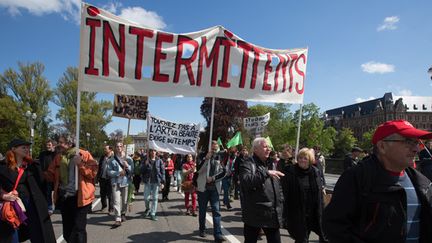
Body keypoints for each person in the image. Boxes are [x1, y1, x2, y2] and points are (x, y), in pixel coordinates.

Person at [323, 120, 432, 242]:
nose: (416, 149)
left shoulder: (423, 183)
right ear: (382, 146)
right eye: (408, 141)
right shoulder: (357, 177)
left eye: (417, 142)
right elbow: (334, 226)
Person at [0, 138, 56, 243]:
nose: (27, 149)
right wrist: (3, 195)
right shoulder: (2, 167)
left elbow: (44, 183)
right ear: (13, 149)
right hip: (11, 205)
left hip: (31, 203)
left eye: (28, 147)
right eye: (23, 147)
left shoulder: (33, 166)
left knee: (38, 233)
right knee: (12, 234)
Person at [45, 135, 98, 243]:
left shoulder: (84, 154)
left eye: (62, 142)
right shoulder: (58, 157)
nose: (59, 144)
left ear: (70, 144)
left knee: (79, 229)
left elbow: (92, 173)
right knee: (67, 230)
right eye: (59, 142)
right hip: (64, 197)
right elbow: (50, 174)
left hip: (80, 197)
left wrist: (80, 164)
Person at [239, 137, 285, 243]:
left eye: (268, 147)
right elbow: (246, 181)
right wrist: (266, 173)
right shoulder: (247, 163)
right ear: (255, 149)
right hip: (254, 215)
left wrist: (281, 202)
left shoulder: (272, 163)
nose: (268, 149)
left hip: (271, 214)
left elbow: (278, 186)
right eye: (265, 147)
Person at [281, 148, 328, 243]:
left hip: (314, 213)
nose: (302, 160)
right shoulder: (290, 171)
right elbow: (284, 193)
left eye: (305, 158)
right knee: (302, 239)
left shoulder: (315, 171)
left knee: (325, 237)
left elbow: (319, 193)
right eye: (300, 158)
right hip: (297, 214)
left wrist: (322, 209)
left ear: (310, 160)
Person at [196, 140, 227, 242]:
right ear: (209, 147)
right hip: (203, 189)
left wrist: (213, 178)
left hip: (214, 189)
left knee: (216, 211)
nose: (214, 150)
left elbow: (224, 172)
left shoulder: (219, 157)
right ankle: (202, 229)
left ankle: (218, 234)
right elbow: (198, 170)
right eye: (213, 148)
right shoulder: (201, 155)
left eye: (215, 148)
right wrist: (206, 159)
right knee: (202, 210)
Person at [107, 142, 132, 228]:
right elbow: (109, 172)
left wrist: (128, 166)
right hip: (115, 183)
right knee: (116, 201)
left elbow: (133, 171)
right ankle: (117, 219)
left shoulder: (128, 159)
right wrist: (118, 173)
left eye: (120, 146)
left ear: (123, 147)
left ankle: (123, 213)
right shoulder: (112, 160)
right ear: (115, 148)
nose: (119, 148)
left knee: (124, 201)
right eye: (117, 146)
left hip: (125, 182)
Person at [141, 149, 165, 221]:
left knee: (155, 198)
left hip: (156, 182)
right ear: (149, 152)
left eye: (154, 151)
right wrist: (145, 164)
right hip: (148, 181)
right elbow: (141, 170)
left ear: (156, 152)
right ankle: (148, 208)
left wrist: (163, 182)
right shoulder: (145, 159)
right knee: (146, 198)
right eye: (152, 151)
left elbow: (162, 171)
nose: (153, 152)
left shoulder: (159, 160)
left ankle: (153, 213)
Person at [38, 139, 56, 215]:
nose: (47, 146)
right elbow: (39, 163)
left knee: (55, 192)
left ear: (53, 145)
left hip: (54, 176)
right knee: (46, 192)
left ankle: (55, 207)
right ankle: (48, 207)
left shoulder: (56, 154)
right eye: (47, 145)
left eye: (49, 145)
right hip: (45, 176)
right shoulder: (42, 154)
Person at [96, 145, 114, 214]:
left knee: (110, 194)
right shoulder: (102, 157)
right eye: (104, 149)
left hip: (110, 178)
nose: (104, 150)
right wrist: (98, 177)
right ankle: (104, 206)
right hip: (102, 178)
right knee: (102, 193)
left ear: (110, 150)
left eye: (106, 149)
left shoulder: (113, 158)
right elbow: (99, 167)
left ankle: (111, 208)